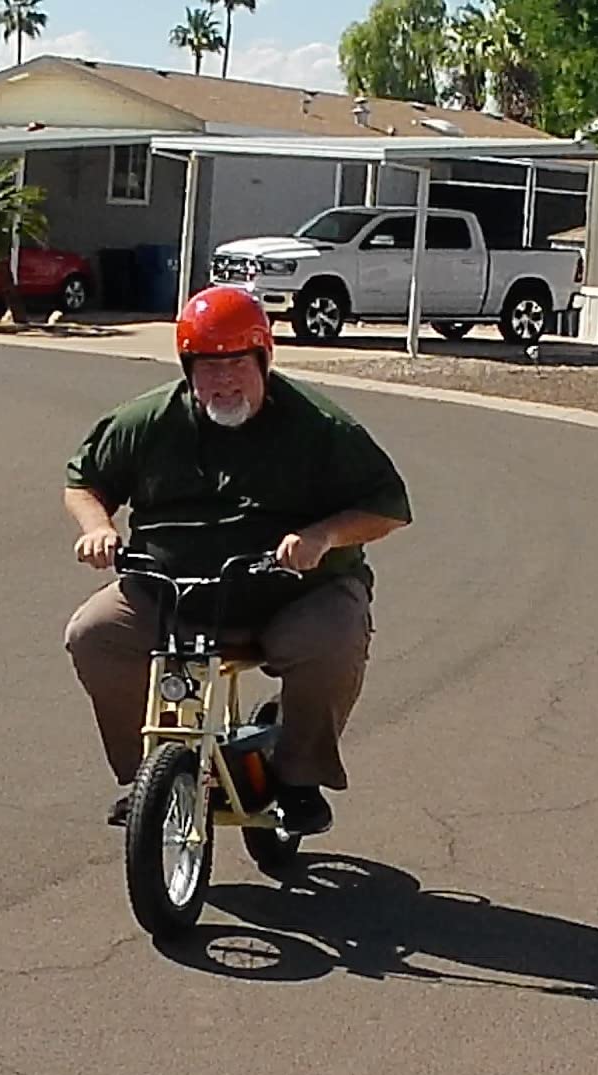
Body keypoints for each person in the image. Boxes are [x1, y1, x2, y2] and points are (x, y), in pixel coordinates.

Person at [63, 286, 412, 835]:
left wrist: (321, 536)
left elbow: (386, 507)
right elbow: (85, 481)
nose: (222, 382)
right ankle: (150, 780)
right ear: (187, 369)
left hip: (291, 593)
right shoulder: (149, 420)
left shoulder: (319, 427)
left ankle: (298, 777)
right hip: (172, 591)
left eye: (236, 366)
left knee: (332, 638)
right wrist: (98, 527)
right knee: (93, 633)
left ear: (263, 361)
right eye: (207, 368)